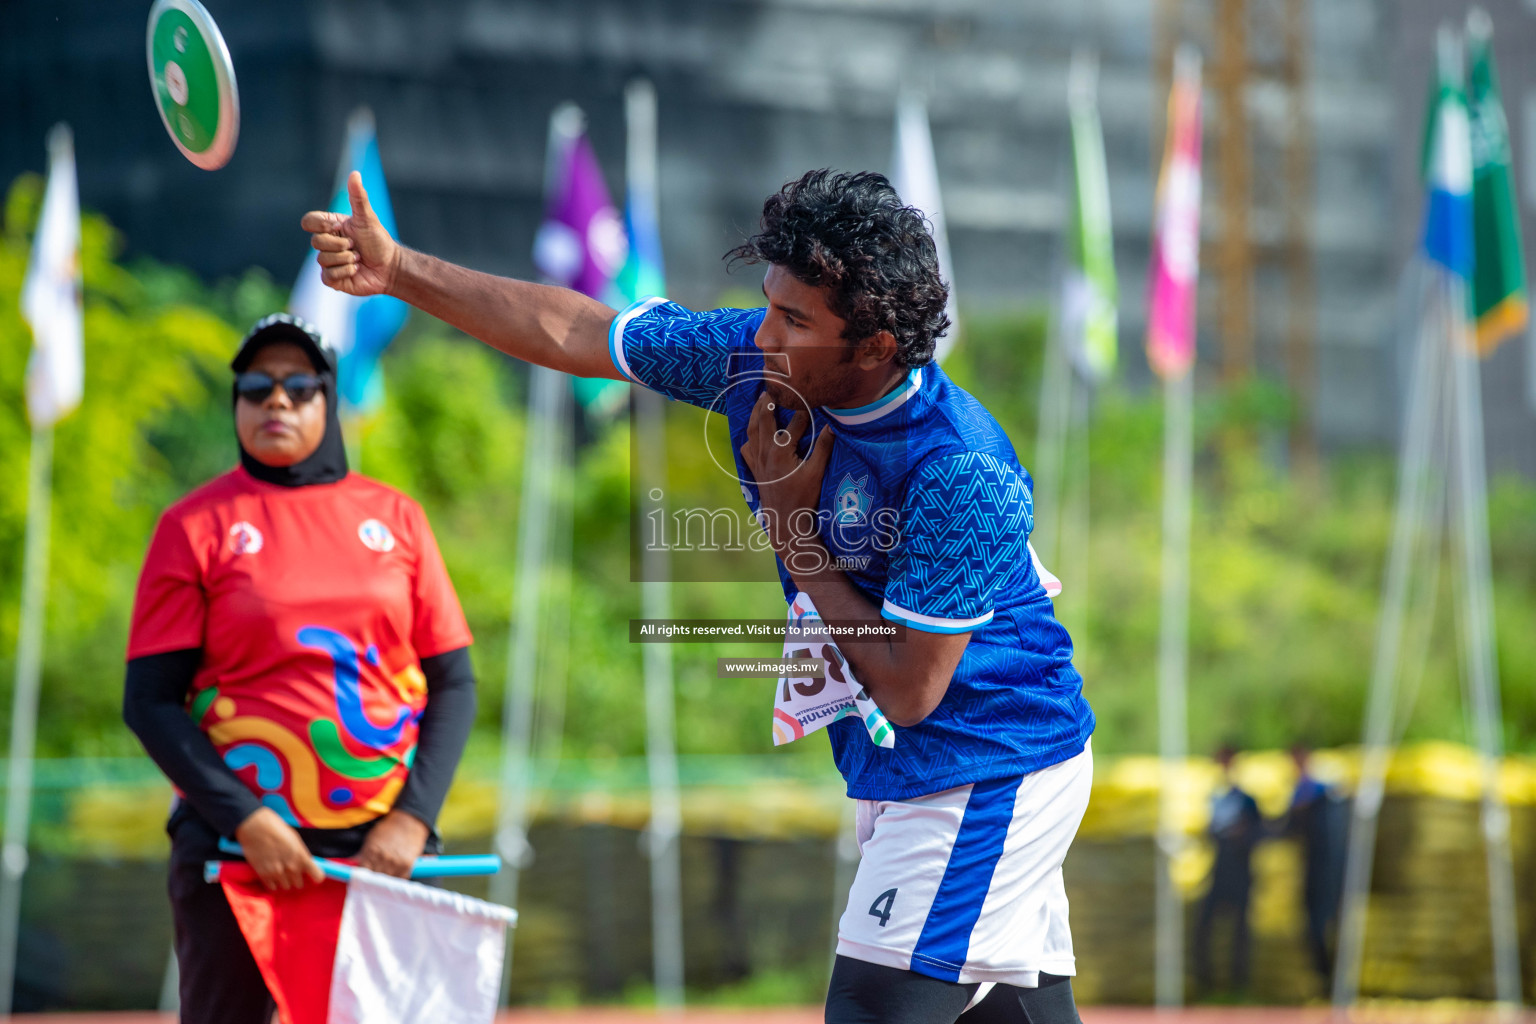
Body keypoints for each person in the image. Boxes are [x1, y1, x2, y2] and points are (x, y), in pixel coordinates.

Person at [302, 167, 1095, 1024]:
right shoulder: (752, 361)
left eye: (795, 319)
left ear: (873, 347)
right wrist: (399, 270)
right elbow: (577, 328)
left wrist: (796, 530)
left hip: (989, 762)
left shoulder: (958, 466)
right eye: (768, 302)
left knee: (872, 1008)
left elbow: (909, 691)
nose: (764, 332)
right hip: (915, 771)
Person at [122, 314, 478, 1024]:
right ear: (237, 405)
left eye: (297, 386)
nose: (275, 401)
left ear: (328, 399)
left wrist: (411, 821)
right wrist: (249, 820)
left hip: (382, 848)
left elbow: (454, 683)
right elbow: (151, 703)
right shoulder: (194, 525)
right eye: (256, 387)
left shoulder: (397, 518)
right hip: (238, 845)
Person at [1193, 745, 1264, 996]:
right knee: (1203, 928)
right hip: (1219, 871)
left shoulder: (1247, 800)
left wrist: (1240, 835)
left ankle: (1239, 984)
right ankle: (1207, 984)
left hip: (1241, 872)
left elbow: (1259, 832)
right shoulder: (1214, 797)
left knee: (1240, 932)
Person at [1283, 745, 1344, 988]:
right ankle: (1324, 977)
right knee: (1314, 922)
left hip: (1329, 867)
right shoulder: (1302, 791)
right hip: (1313, 866)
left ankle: (1332, 977)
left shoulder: (1324, 790)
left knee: (1328, 921)